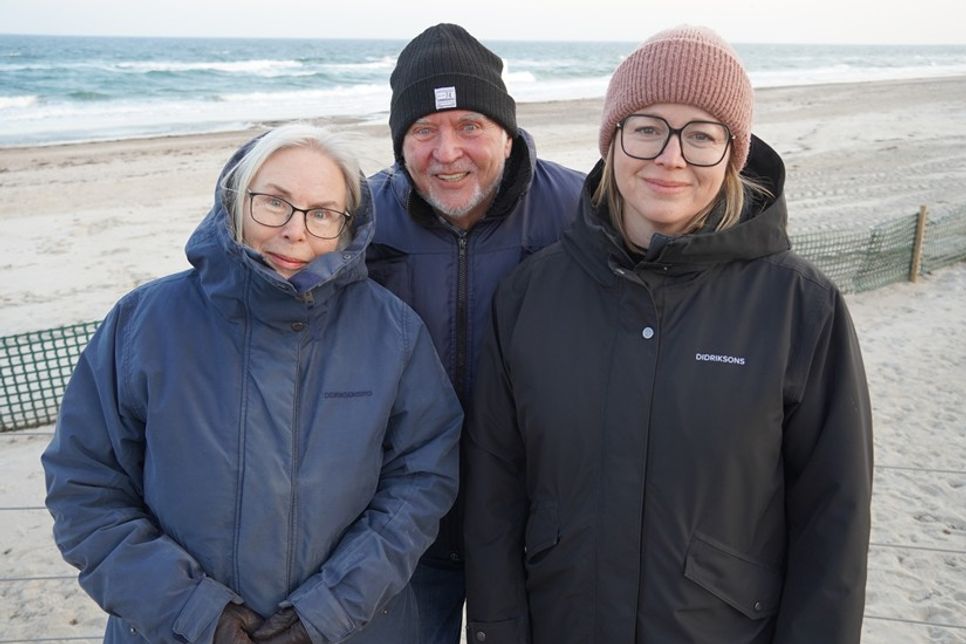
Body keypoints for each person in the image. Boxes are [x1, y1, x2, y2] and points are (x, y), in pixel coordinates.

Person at [463, 25, 874, 644]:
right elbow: (494, 496)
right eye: (648, 128)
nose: (671, 157)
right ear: (613, 139)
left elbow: (833, 519)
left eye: (701, 135)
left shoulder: (800, 306)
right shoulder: (529, 297)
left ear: (733, 154)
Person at [42, 123, 463, 644]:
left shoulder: (392, 332)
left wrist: (330, 609)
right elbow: (85, 487)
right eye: (274, 203)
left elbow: (421, 482)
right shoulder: (144, 323)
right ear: (235, 201)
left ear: (347, 228)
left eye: (322, 213)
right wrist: (192, 612)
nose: (295, 230)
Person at [365, 23, 586, 643]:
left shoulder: (581, 213)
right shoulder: (358, 218)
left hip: (538, 523)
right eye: (423, 130)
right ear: (400, 142)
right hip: (400, 526)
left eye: (469, 125)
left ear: (506, 135)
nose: (447, 152)